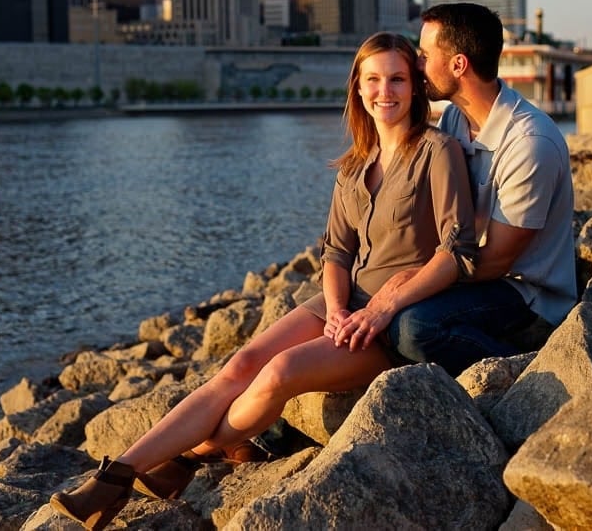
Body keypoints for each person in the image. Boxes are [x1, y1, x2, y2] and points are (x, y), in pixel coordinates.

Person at [49, 31, 477, 530]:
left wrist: (377, 308)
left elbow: (457, 252)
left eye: (398, 79)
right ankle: (116, 476)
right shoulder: (355, 164)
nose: (386, 91)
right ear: (358, 90)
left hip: (390, 317)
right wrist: (336, 309)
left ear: (416, 87)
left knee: (278, 374)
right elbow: (336, 252)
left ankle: (188, 460)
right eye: (374, 80)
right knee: (244, 362)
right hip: (343, 302)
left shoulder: (437, 151)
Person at [369, 2, 578, 376]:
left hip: (527, 295)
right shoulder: (454, 119)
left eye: (425, 55)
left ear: (458, 65)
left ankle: (522, 374)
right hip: (466, 270)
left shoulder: (530, 143)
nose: (417, 65)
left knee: (414, 327)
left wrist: (408, 282)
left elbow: (497, 260)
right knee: (374, 295)